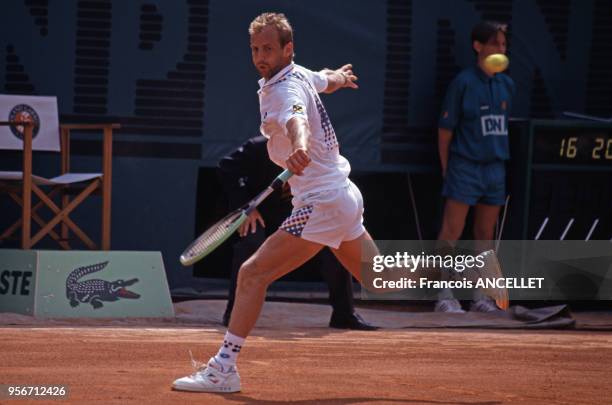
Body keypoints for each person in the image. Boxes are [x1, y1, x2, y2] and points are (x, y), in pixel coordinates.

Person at [172, 12, 385, 393]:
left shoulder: (283, 90)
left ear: (288, 49)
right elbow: (326, 79)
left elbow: (296, 120)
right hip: (341, 194)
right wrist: (340, 76)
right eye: (255, 49)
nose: (260, 56)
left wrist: (300, 146)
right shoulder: (300, 75)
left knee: (252, 274)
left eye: (268, 49)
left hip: (322, 201)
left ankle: (223, 369)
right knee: (381, 279)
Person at [218, 135, 377, 331]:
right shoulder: (259, 147)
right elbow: (227, 166)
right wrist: (245, 207)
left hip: (301, 212)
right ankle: (234, 313)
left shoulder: (317, 150)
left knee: (335, 244)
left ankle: (344, 314)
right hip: (262, 215)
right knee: (250, 245)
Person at [435, 21, 515, 313]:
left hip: (495, 169)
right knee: (451, 231)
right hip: (464, 167)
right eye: (495, 43)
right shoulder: (463, 83)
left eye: (504, 45)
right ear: (478, 46)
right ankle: (444, 295)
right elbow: (445, 131)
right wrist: (447, 168)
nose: (501, 49)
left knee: (485, 234)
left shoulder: (507, 85)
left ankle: (481, 296)